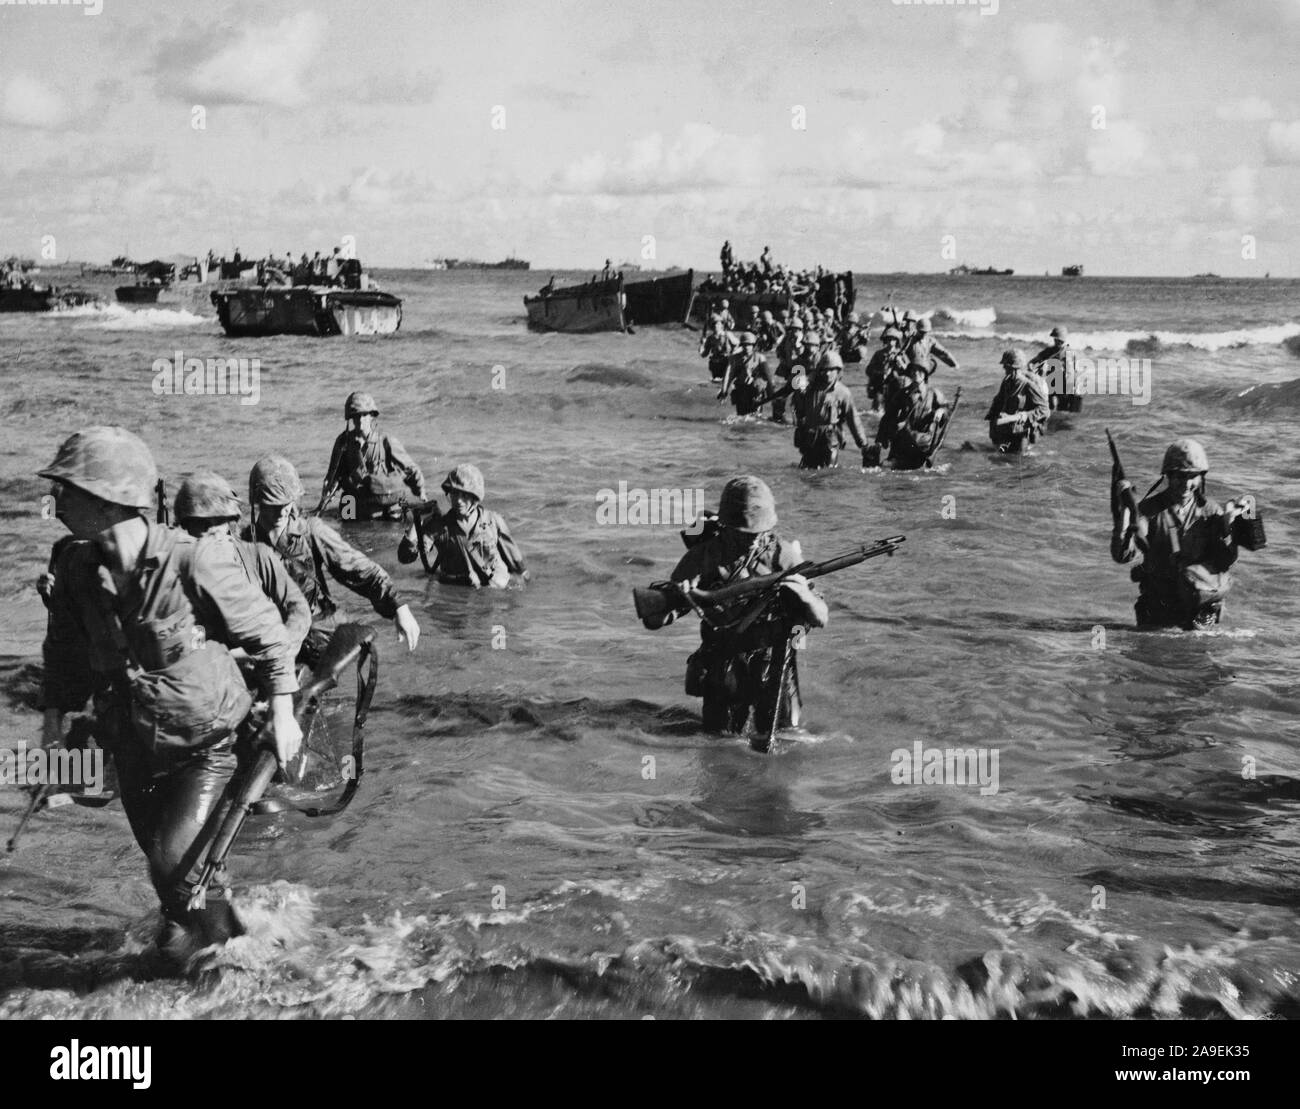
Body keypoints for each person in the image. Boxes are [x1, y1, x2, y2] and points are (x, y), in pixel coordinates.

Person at [38, 427, 302, 957]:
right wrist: (52, 731)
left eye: (68, 490)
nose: (56, 500)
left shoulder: (191, 561)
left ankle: (247, 962)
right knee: (177, 877)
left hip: (207, 745)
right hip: (134, 744)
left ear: (108, 499)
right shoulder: (74, 567)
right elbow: (63, 654)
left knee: (174, 867)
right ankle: (200, 955)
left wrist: (283, 712)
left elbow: (268, 632)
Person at [640, 476, 827, 736]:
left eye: (757, 532)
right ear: (726, 525)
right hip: (723, 668)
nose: (751, 540)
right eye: (742, 533)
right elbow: (653, 620)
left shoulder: (784, 555)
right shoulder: (704, 557)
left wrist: (805, 597)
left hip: (774, 666)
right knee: (720, 750)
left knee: (787, 744)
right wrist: (683, 595)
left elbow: (821, 617)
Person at [245, 454, 420, 667]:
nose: (283, 510)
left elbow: (360, 570)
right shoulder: (242, 543)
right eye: (273, 504)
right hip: (268, 635)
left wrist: (398, 607)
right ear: (257, 502)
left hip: (317, 628)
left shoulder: (312, 532)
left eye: (287, 502)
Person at [174, 470, 311, 661]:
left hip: (264, 657)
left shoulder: (257, 556)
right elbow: (194, 632)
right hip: (217, 665)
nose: (209, 533)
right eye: (199, 526)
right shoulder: (180, 573)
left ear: (230, 523)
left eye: (217, 523)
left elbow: (298, 607)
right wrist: (216, 656)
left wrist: (283, 643)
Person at [1111, 439, 1245, 630]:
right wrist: (1124, 514)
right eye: (1180, 477)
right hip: (1159, 609)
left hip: (1199, 611)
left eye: (1193, 477)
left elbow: (1224, 561)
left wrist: (1228, 527)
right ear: (1168, 476)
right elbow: (1123, 555)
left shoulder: (1211, 511)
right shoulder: (1149, 510)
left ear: (1201, 477)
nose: (1187, 484)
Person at [398, 464, 528, 587]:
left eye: (464, 495)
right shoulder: (439, 526)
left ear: (475, 497)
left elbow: (519, 569)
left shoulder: (493, 522)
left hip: (490, 593)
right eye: (454, 494)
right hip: (455, 595)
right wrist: (417, 524)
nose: (459, 501)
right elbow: (405, 558)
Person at [321, 392, 427, 520]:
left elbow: (411, 469)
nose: (360, 420)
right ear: (350, 418)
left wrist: (421, 494)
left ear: (371, 416)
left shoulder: (385, 440)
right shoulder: (343, 441)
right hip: (353, 501)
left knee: (390, 527)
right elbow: (332, 475)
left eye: (364, 415)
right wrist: (324, 501)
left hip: (382, 501)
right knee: (345, 528)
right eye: (356, 416)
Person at [791, 352, 870, 469]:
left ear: (838, 371)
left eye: (832, 370)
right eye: (824, 370)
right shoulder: (809, 387)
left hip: (830, 437)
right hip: (810, 435)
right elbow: (796, 404)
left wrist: (863, 443)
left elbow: (853, 419)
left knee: (829, 471)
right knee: (808, 471)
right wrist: (806, 381)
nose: (828, 373)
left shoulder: (843, 392)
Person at [869, 358, 950, 470]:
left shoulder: (933, 394)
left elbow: (946, 410)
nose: (916, 374)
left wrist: (940, 412)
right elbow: (887, 417)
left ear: (925, 374)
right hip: (902, 441)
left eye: (919, 371)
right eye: (913, 371)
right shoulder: (903, 394)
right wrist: (879, 441)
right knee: (884, 467)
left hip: (923, 443)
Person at [985, 350, 1049, 453]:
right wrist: (993, 422)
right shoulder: (1007, 382)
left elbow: (1044, 410)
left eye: (1006, 365)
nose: (1004, 368)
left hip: (1021, 432)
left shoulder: (1028, 385)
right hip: (1006, 430)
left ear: (1014, 367)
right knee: (1001, 459)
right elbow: (998, 402)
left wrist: (1023, 416)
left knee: (1018, 462)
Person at [719, 332, 774, 412]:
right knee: (742, 414)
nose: (747, 347)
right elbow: (728, 375)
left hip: (756, 391)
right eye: (744, 345)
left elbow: (768, 376)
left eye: (749, 345)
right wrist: (724, 391)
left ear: (753, 346)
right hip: (741, 389)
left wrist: (771, 396)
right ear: (741, 345)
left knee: (755, 414)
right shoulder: (734, 359)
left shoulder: (760, 358)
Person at [1028, 325, 1077, 412]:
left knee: (1063, 407)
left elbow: (1073, 372)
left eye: (1060, 341)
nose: (1057, 342)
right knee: (1049, 405)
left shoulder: (1069, 353)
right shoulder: (1049, 351)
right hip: (1050, 382)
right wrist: (1031, 368)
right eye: (1056, 340)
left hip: (1063, 384)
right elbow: (1033, 361)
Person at [864, 327, 908, 414]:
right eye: (888, 339)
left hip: (895, 387)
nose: (890, 341)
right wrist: (880, 373)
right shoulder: (879, 354)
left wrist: (901, 364)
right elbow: (868, 370)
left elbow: (908, 371)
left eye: (893, 339)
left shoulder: (901, 354)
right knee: (876, 412)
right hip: (880, 386)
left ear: (896, 341)